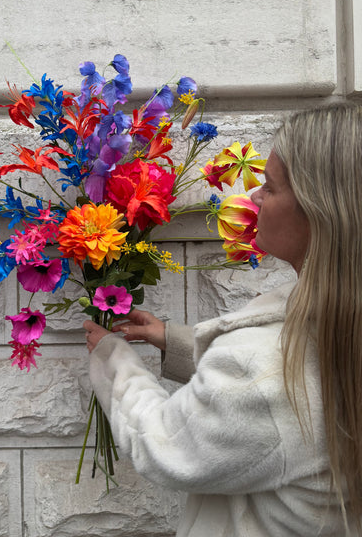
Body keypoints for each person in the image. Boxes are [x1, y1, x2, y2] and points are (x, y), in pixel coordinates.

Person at [83, 104, 362, 536]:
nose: (253, 197)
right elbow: (277, 404)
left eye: (269, 187)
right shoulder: (342, 326)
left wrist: (113, 359)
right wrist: (175, 341)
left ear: (318, 210)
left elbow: (161, 445)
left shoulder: (260, 368)